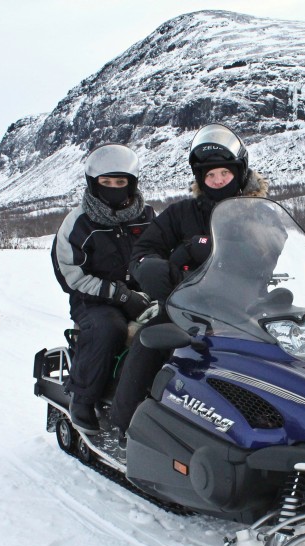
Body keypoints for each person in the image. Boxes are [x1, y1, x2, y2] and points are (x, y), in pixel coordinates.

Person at [109, 123, 268, 435]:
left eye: (224, 173)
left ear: (238, 173)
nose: (218, 180)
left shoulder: (257, 212)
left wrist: (217, 245)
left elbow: (269, 248)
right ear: (200, 179)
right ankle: (125, 425)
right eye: (210, 175)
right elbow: (144, 250)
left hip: (246, 306)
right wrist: (163, 265)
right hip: (188, 305)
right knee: (149, 342)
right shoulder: (182, 212)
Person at [53, 143, 154, 434]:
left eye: (120, 182)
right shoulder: (78, 222)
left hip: (142, 295)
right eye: (106, 183)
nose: (114, 188)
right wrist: (120, 294)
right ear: (93, 183)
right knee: (109, 328)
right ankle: (83, 397)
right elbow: (71, 274)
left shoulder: (146, 216)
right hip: (92, 300)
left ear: (131, 184)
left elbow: (163, 253)